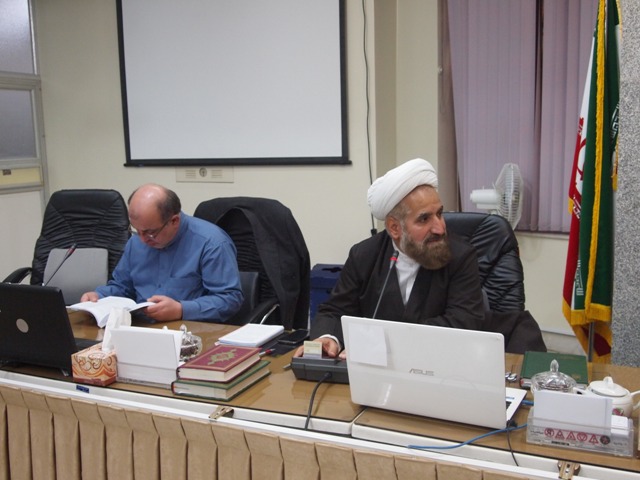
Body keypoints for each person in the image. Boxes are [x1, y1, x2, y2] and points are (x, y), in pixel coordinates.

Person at [294, 158, 486, 359]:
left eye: (439, 214)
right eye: (424, 219)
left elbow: (464, 322)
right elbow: (335, 310)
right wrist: (328, 337)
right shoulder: (364, 255)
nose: (439, 228)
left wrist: (387, 344)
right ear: (395, 228)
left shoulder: (460, 256)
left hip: (438, 363)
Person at [80, 184, 243, 323]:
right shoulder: (136, 242)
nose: (142, 239)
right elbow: (122, 287)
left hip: (190, 331)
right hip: (139, 328)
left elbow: (230, 299)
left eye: (150, 232)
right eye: (136, 230)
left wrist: (181, 309)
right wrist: (98, 296)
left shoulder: (212, 243)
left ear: (174, 221)